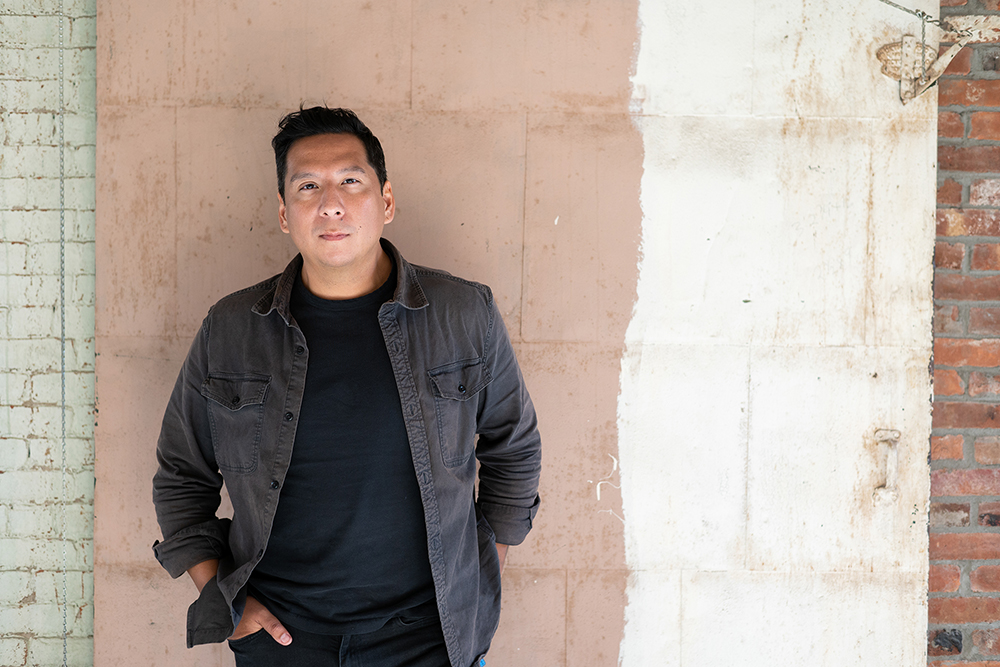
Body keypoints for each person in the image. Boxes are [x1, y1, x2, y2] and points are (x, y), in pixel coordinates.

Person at [151, 106, 542, 667]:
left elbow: (515, 448)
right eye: (307, 186)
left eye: (349, 181)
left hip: (431, 639)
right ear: (285, 213)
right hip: (283, 641)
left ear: (385, 200)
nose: (330, 203)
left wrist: (481, 571)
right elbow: (181, 476)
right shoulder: (232, 329)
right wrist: (228, 605)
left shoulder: (463, 314)